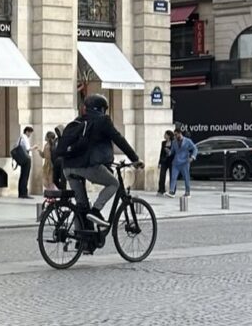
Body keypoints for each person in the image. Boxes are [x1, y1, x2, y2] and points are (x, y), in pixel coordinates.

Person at [62, 93, 142, 232]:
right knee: (114, 183)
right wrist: (135, 159)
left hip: (67, 167)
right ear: (102, 109)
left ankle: (83, 241)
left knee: (81, 205)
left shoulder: (79, 121)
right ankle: (96, 211)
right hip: (87, 166)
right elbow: (119, 139)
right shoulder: (103, 121)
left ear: (86, 108)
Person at [167, 128, 197, 197]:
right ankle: (171, 191)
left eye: (176, 134)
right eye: (174, 135)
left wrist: (192, 157)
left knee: (186, 177)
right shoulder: (174, 142)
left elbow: (195, 148)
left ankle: (187, 192)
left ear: (180, 133)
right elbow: (172, 151)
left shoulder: (187, 141)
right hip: (176, 162)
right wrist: (169, 152)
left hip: (185, 162)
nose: (174, 136)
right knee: (173, 177)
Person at [13, 125, 37, 198]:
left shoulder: (20, 137)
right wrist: (34, 147)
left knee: (22, 175)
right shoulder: (24, 137)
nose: (30, 135)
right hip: (26, 159)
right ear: (27, 132)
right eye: (30, 133)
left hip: (22, 159)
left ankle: (21, 193)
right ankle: (24, 193)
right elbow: (27, 148)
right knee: (25, 176)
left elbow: (15, 146)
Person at [157, 129, 174, 196]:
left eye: (165, 134)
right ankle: (161, 190)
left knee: (172, 176)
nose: (164, 136)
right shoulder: (163, 143)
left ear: (169, 136)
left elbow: (175, 152)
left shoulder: (174, 142)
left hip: (171, 161)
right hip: (164, 161)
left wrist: (169, 151)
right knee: (162, 175)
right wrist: (159, 162)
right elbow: (161, 153)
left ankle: (172, 190)